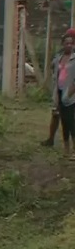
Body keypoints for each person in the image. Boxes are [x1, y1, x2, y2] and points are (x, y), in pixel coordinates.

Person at [52, 29, 75, 160]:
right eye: (67, 43)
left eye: (71, 43)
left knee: (71, 121)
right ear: (63, 44)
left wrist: (70, 93)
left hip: (70, 94)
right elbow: (55, 73)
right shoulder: (59, 58)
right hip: (59, 92)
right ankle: (66, 149)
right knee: (64, 123)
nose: (69, 45)